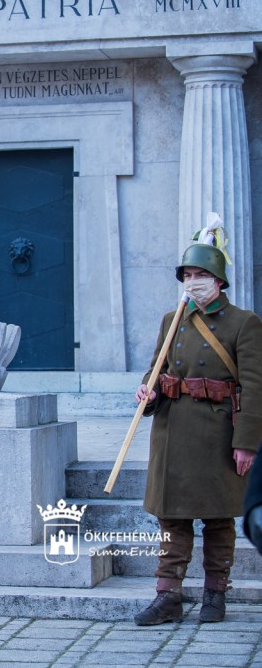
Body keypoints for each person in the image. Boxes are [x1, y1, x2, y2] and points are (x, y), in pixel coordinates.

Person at [133, 242, 261, 625]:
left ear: (219, 280)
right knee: (171, 518)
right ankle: (167, 597)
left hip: (219, 433)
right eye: (188, 275)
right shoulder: (172, 319)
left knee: (218, 519)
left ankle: (215, 595)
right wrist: (148, 390)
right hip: (172, 431)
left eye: (201, 275)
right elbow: (157, 369)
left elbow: (256, 387)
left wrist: (246, 443)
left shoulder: (244, 323)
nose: (193, 282)